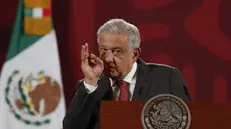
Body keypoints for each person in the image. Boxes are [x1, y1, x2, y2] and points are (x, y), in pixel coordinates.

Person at [62, 18, 191, 129]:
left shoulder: (166, 78)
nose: (108, 58)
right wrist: (90, 82)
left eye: (117, 51)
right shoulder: (91, 87)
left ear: (135, 54)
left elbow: (190, 122)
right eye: (103, 50)